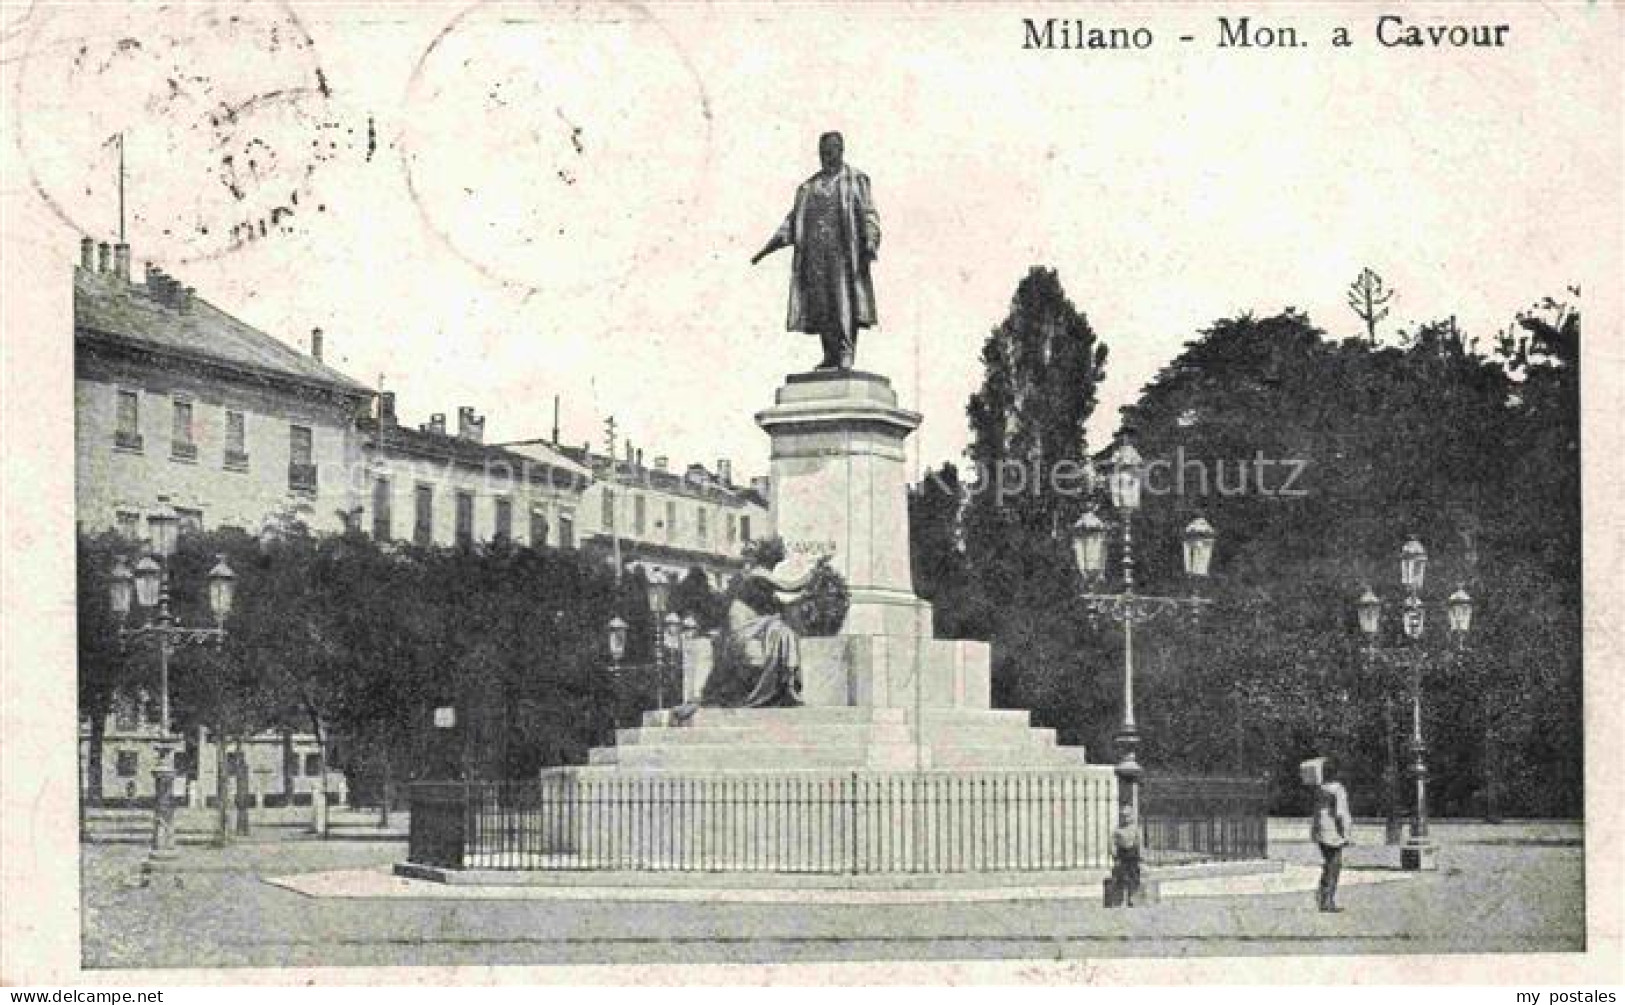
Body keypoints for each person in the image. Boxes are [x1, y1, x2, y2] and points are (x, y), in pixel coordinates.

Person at [751, 131, 881, 371]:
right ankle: (830, 354)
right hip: (815, 256)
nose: (827, 157)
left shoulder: (855, 180)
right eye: (823, 152)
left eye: (831, 151)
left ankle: (845, 352)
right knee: (821, 306)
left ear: (841, 151)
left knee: (843, 303)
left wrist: (871, 241)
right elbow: (792, 222)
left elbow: (868, 215)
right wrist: (766, 249)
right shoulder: (808, 188)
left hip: (843, 255)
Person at [674, 538, 823, 716]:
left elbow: (790, 594)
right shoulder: (760, 572)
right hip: (744, 627)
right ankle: (786, 684)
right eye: (779, 555)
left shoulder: (761, 573)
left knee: (782, 631)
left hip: (752, 624)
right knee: (780, 630)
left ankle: (787, 685)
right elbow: (789, 586)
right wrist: (815, 571)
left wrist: (806, 593)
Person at [1311, 765, 1354, 912]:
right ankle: (1327, 901)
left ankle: (1323, 896)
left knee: (1328, 864)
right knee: (1334, 865)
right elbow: (1340, 813)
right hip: (1334, 831)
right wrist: (1346, 833)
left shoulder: (1319, 788)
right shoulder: (1338, 789)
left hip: (1320, 829)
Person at [1109, 802, 1144, 908]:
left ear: (1132, 816)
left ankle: (1131, 898)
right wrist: (1114, 854)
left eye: (1128, 816)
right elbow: (1113, 843)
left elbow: (1139, 842)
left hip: (1132, 855)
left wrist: (1141, 857)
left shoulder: (1136, 828)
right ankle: (1120, 899)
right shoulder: (1117, 830)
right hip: (1122, 855)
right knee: (1121, 877)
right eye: (1123, 816)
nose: (1125, 818)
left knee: (1133, 877)